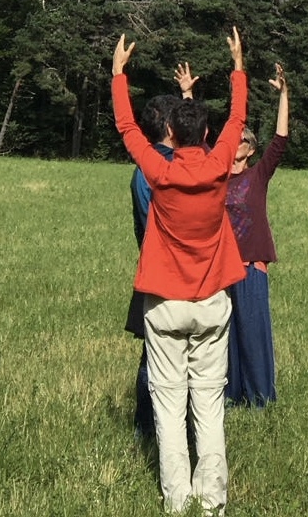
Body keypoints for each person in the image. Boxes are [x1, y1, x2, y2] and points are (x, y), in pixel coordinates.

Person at [112, 28, 247, 515]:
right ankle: (212, 500)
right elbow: (238, 117)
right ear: (207, 136)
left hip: (165, 303)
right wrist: (237, 65)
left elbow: (127, 127)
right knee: (208, 405)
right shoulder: (219, 165)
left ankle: (176, 499)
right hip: (210, 302)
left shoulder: (159, 171)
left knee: (169, 406)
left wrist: (118, 73)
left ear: (171, 133)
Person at [223, 62, 289, 406]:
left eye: (243, 139)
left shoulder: (258, 175)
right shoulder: (215, 177)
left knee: (253, 332)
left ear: (250, 149)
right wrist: (187, 95)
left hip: (250, 266)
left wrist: (284, 95)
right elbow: (192, 143)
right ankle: (231, 395)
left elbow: (280, 140)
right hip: (221, 268)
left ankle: (261, 397)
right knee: (225, 335)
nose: (236, 142)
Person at [125, 93, 176, 440]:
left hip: (157, 270)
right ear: (171, 127)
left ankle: (152, 427)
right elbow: (153, 226)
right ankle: (147, 428)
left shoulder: (145, 168)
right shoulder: (156, 169)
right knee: (155, 355)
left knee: (155, 353)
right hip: (165, 273)